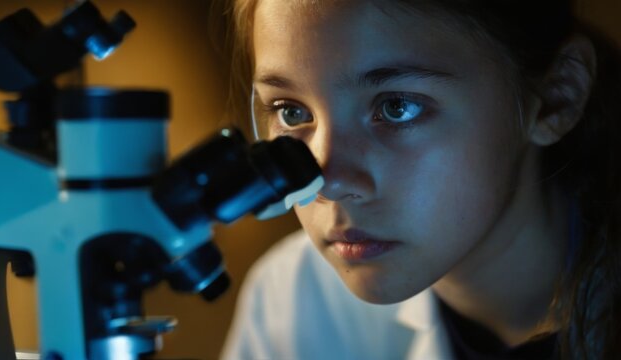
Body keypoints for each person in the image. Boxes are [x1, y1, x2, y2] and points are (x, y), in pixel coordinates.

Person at [217, 0, 621, 358]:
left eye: (396, 107)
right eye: (291, 112)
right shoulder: (293, 300)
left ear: (556, 97)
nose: (328, 182)